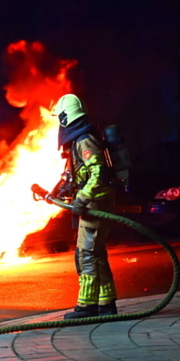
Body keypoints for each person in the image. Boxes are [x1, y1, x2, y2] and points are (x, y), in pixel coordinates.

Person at [35, 94, 118, 319]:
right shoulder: (81, 138)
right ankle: (106, 304)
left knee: (87, 255)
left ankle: (87, 306)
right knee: (96, 253)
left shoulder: (84, 140)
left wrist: (82, 200)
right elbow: (75, 174)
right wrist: (54, 193)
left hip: (95, 204)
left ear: (65, 116)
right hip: (93, 202)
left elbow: (98, 173)